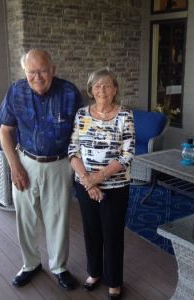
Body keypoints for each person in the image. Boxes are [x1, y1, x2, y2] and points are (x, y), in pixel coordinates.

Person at [0, 49, 82, 289]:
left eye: (43, 71)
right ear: (25, 71)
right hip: (25, 163)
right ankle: (30, 264)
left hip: (60, 163)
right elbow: (4, 132)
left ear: (52, 69)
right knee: (25, 217)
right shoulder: (16, 91)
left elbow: (81, 132)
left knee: (58, 217)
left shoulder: (69, 92)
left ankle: (59, 267)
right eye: (32, 72)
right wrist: (15, 166)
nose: (38, 77)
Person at [68, 68, 135, 300]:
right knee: (91, 230)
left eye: (107, 85)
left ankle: (114, 280)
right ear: (91, 90)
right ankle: (95, 272)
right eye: (97, 86)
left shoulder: (125, 116)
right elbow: (72, 150)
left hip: (116, 187)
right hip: (85, 185)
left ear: (115, 89)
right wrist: (88, 181)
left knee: (113, 233)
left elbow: (127, 155)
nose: (102, 90)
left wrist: (99, 177)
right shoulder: (81, 115)